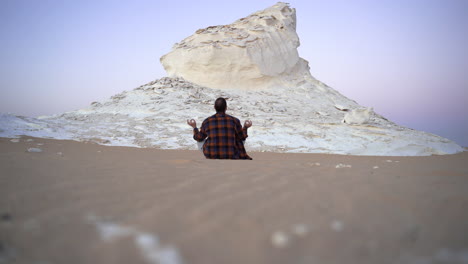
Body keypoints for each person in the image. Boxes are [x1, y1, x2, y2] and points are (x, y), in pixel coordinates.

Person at [187, 97, 252, 160]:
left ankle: (211, 152)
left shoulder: (207, 121)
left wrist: (194, 127)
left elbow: (199, 138)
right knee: (240, 137)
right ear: (226, 108)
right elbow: (242, 137)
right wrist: (245, 127)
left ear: (214, 107)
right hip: (231, 154)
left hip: (211, 155)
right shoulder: (235, 120)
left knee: (200, 139)